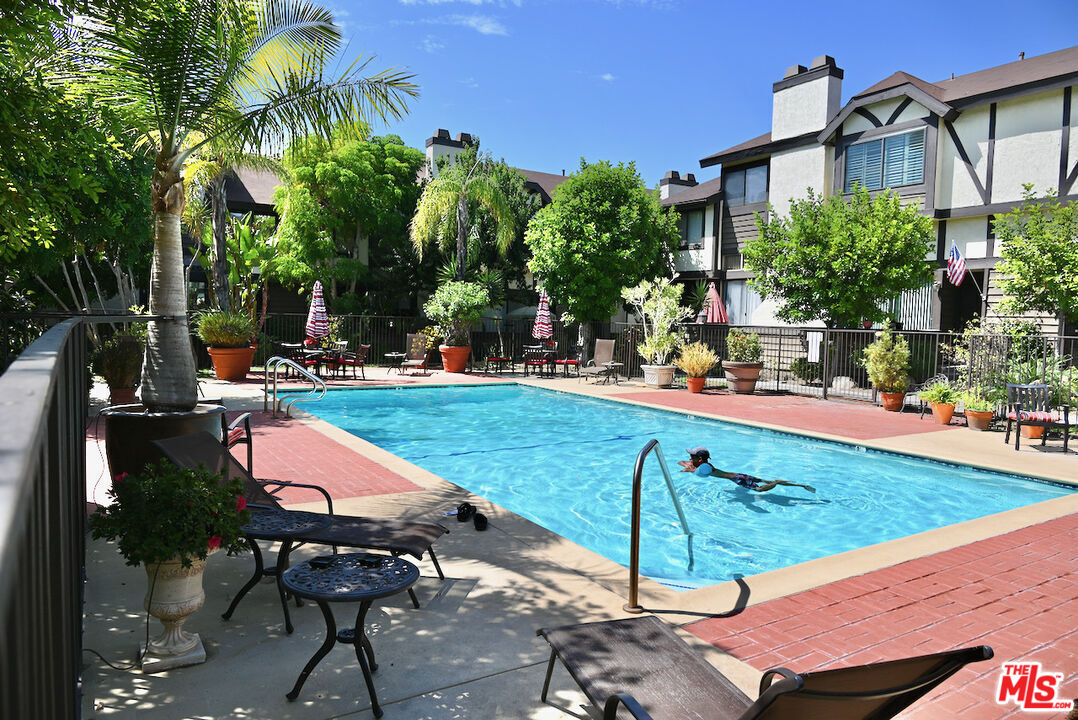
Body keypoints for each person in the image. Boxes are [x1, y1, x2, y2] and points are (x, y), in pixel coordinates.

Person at [678, 446, 816, 493]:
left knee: (759, 490)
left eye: (692, 456)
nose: (689, 458)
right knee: (764, 481)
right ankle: (801, 485)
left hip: (738, 479)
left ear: (700, 459)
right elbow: (681, 462)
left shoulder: (705, 467)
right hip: (739, 475)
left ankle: (777, 482)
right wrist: (687, 466)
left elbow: (697, 471)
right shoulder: (702, 465)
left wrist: (688, 469)